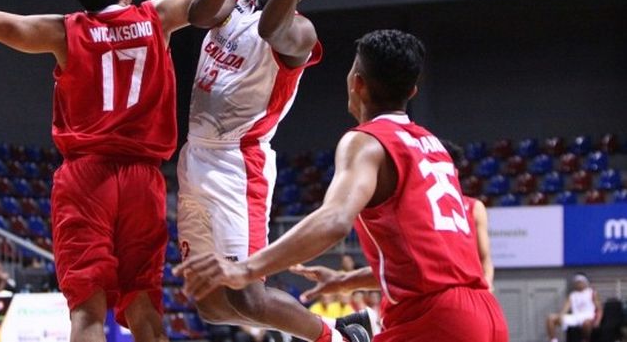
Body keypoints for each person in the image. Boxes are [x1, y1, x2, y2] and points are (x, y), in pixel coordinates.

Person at [0, 0, 275, 342]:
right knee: (145, 308)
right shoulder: (156, 18)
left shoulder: (62, 32)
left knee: (88, 313)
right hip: (142, 182)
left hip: (85, 179)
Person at [175, 29, 510, 342]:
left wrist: (245, 267)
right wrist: (349, 280)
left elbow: (334, 221)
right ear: (412, 92)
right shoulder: (432, 145)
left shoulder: (366, 142)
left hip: (434, 319)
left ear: (357, 83)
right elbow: (433, 261)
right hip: (485, 313)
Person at [177, 0, 366, 342]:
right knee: (208, 303)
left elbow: (270, 28)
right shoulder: (236, 3)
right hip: (195, 157)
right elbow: (197, 11)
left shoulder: (299, 32)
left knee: (246, 297)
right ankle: (335, 328)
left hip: (236, 165)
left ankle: (338, 340)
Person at [441, 139, 495, 291]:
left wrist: (488, 286)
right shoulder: (418, 204)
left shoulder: (474, 207)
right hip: (436, 290)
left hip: (469, 290)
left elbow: (485, 259)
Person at [546, 273, 602, 342]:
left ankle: (585, 340)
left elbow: (599, 309)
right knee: (551, 318)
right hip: (575, 316)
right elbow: (565, 308)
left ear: (585, 282)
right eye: (577, 283)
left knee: (586, 324)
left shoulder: (592, 293)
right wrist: (560, 316)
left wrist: (598, 321)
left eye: (580, 282)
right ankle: (553, 340)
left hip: (588, 316)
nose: (578, 284)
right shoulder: (572, 295)